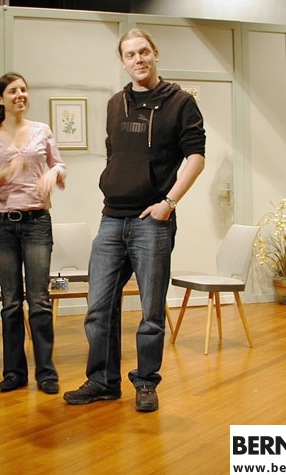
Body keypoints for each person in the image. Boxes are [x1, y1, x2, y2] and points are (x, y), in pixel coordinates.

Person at [63, 28, 206, 411]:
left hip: (152, 221)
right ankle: (102, 381)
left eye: (144, 52)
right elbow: (115, 154)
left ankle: (145, 383)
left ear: (155, 53)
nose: (138, 59)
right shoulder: (115, 104)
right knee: (98, 308)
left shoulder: (180, 102)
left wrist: (169, 202)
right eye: (130, 54)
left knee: (151, 312)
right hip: (112, 218)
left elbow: (196, 157)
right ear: (123, 62)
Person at [0, 72, 67, 395]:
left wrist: (53, 175)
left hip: (36, 222)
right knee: (11, 301)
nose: (20, 95)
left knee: (39, 300)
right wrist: (5, 172)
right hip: (2, 224)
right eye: (13, 91)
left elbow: (59, 166)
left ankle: (46, 373)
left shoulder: (41, 130)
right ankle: (14, 372)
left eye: (24, 90)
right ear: (0, 99)